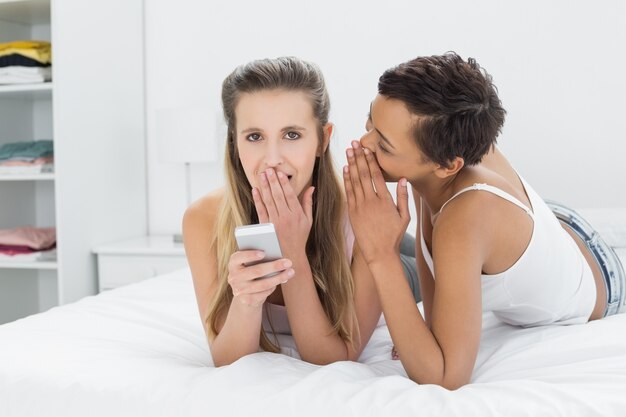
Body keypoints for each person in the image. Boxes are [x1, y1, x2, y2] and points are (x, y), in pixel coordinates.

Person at [342, 52, 625, 389]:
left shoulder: (464, 216)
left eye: (384, 145)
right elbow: (433, 278)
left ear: (448, 166)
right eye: (370, 122)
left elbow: (446, 378)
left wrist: (380, 254)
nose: (363, 143)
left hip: (602, 278)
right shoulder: (444, 146)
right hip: (550, 223)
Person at [183, 57, 391, 367]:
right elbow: (226, 361)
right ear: (234, 143)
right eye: (255, 137)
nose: (273, 159)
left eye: (291, 135)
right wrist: (247, 302)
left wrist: (292, 249)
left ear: (322, 139)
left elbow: (335, 357)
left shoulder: (363, 212)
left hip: (399, 255)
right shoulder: (203, 219)